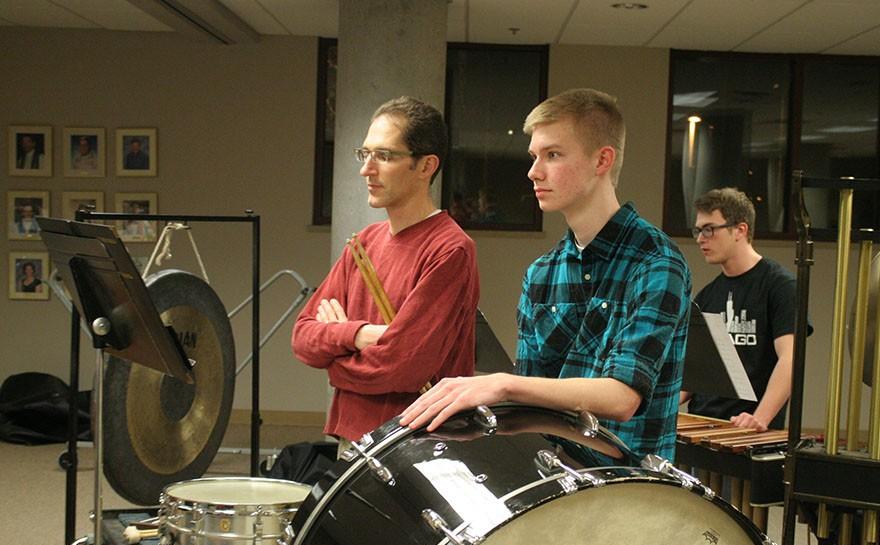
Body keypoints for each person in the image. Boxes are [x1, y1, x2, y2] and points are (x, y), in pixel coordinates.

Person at [400, 88, 692, 462]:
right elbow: (533, 407)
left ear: (602, 160)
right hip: (557, 475)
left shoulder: (656, 261)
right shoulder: (542, 272)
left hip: (631, 487)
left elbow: (621, 399)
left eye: (552, 155)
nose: (533, 172)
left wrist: (503, 385)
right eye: (534, 156)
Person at [291, 96, 480, 452]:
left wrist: (336, 361)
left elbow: (402, 367)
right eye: (365, 154)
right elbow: (303, 338)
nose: (367, 169)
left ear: (426, 166)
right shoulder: (363, 243)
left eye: (386, 156)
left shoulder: (450, 249)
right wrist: (358, 335)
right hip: (352, 438)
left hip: (416, 442)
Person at [683, 187, 807, 431]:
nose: (700, 238)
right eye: (698, 230)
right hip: (703, 423)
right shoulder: (707, 295)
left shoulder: (780, 285)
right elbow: (696, 370)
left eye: (709, 229)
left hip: (748, 429)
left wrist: (759, 418)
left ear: (740, 230)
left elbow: (791, 358)